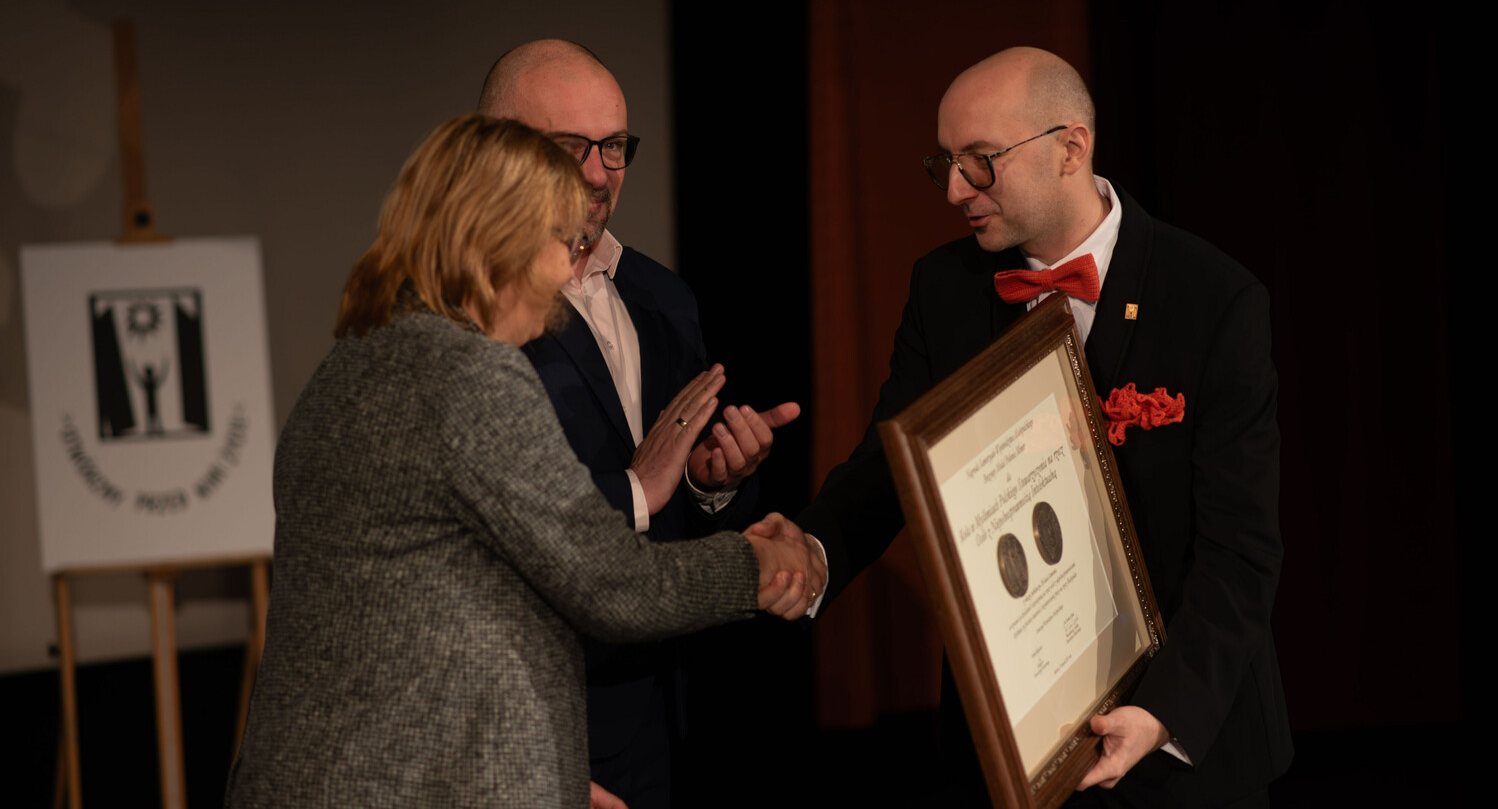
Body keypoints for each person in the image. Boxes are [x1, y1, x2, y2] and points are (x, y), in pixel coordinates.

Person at [224, 115, 814, 809]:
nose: (568, 270)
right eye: (561, 242)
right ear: (499, 238)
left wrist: (543, 773)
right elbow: (612, 584)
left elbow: (415, 621)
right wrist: (758, 565)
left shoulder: (349, 366)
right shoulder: (467, 374)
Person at [796, 48, 1292, 807]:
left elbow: (1241, 550)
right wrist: (811, 551)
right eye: (945, 164)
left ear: (1071, 147)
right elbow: (888, 471)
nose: (956, 189)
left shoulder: (1214, 299)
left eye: (980, 161)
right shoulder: (943, 288)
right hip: (1010, 745)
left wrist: (1161, 712)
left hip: (1185, 742)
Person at [476, 41, 803, 809]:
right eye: (571, 147)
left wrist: (712, 483)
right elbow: (486, 533)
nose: (599, 173)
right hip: (530, 715)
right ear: (494, 149)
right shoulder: (465, 311)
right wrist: (639, 489)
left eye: (615, 145)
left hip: (664, 708)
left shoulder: (663, 296)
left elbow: (675, 514)